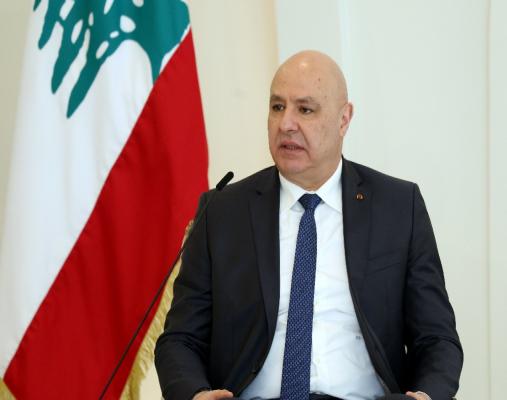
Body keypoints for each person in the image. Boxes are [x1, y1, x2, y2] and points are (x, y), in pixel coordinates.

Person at [155, 50, 463, 400]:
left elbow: (437, 339)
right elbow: (180, 339)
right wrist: (195, 394)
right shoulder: (222, 212)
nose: (286, 123)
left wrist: (425, 396)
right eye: (277, 107)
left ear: (344, 119)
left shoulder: (398, 207)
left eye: (305, 109)